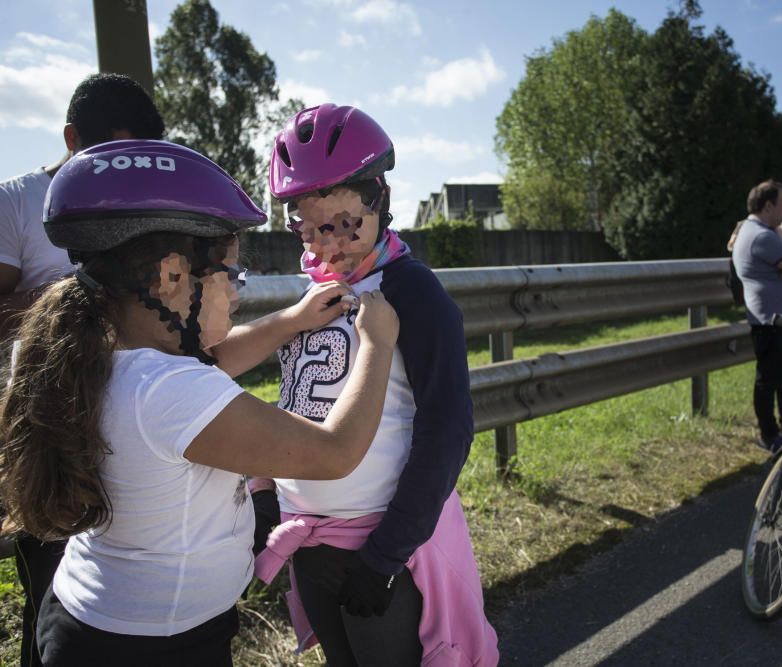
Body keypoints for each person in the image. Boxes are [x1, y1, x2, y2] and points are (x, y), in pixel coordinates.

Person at [0, 139, 399, 666]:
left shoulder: (104, 355)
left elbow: (211, 361)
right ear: (170, 277)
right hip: (154, 647)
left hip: (94, 622)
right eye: (229, 276)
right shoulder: (171, 392)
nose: (236, 294)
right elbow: (335, 452)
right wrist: (377, 344)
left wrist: (293, 320)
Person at [253, 103, 498, 666]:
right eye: (310, 228)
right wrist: (264, 493)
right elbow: (297, 401)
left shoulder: (413, 292)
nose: (329, 244)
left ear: (380, 200)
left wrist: (384, 556)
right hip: (309, 546)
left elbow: (447, 432)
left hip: (384, 552)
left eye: (344, 223)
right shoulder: (313, 294)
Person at [0, 72, 165, 667]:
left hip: (132, 434)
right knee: (50, 589)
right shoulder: (15, 201)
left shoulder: (143, 205)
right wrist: (75, 299)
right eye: (110, 157)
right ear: (72, 139)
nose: (124, 174)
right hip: (50, 435)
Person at [732, 179, 782, 452]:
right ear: (768, 206)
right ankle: (770, 434)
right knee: (772, 379)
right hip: (772, 322)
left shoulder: (759, 232)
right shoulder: (762, 236)